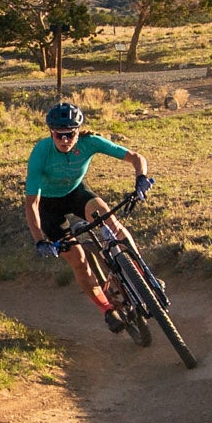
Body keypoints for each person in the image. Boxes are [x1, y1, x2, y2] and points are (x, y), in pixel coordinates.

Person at [23, 99, 153, 328]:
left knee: (113, 225)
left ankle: (145, 280)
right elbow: (32, 204)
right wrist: (40, 241)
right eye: (58, 135)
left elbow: (134, 157)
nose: (64, 140)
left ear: (78, 132)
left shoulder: (90, 142)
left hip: (76, 193)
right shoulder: (41, 152)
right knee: (78, 260)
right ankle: (106, 309)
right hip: (49, 206)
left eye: (70, 135)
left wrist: (141, 178)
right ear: (50, 133)